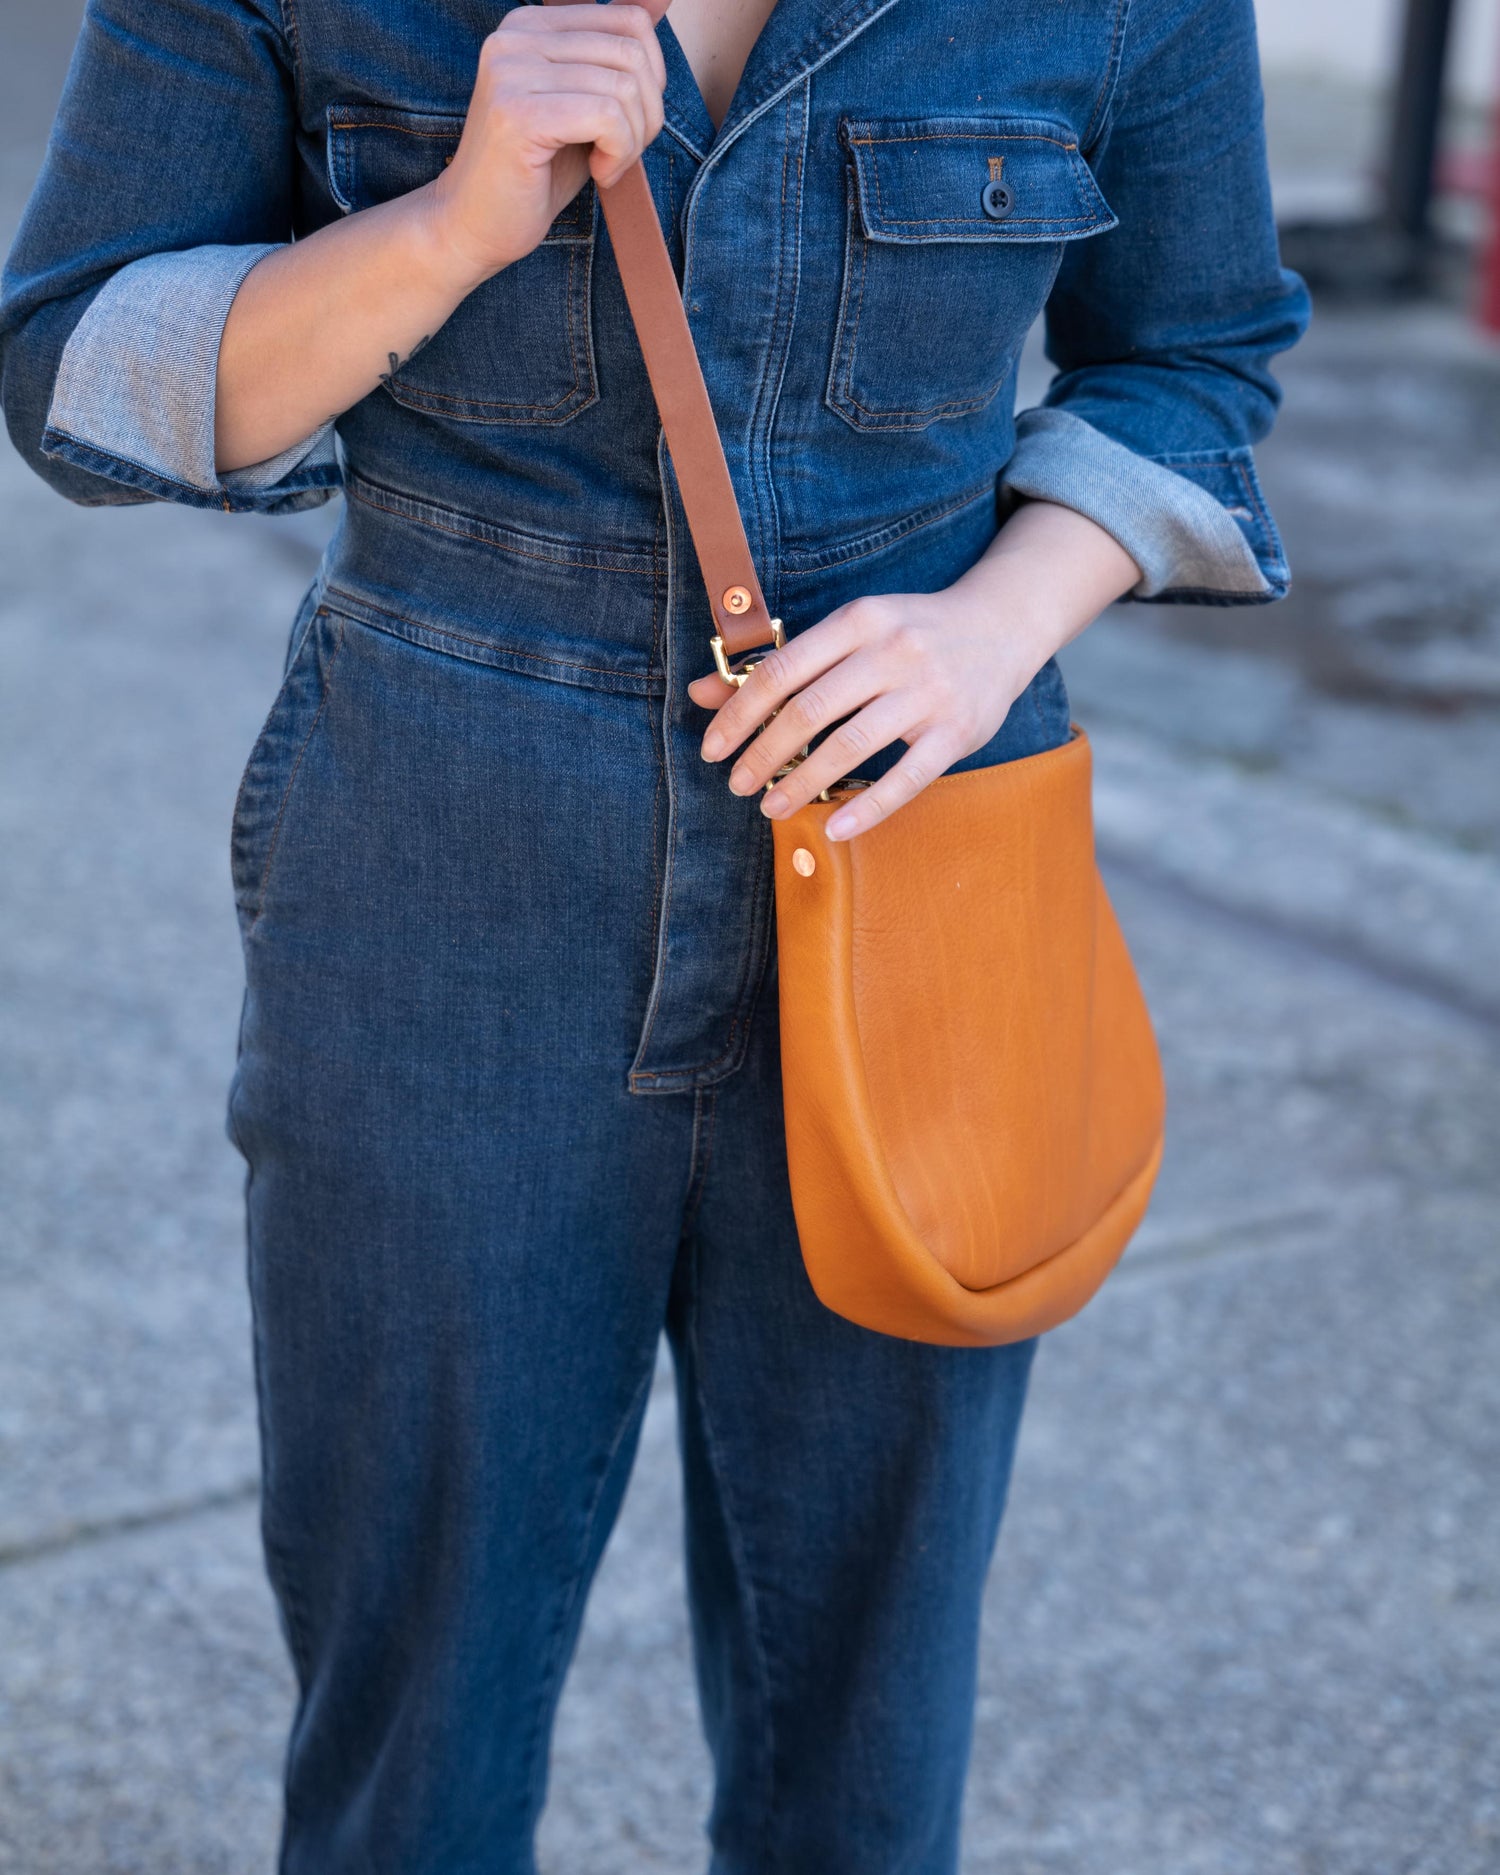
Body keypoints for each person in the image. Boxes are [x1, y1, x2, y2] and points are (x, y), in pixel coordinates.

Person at [0, 1, 1310, 1869]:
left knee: (865, 1716)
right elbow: (78, 370)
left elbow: (1198, 353)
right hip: (444, 859)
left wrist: (990, 626)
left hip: (913, 848)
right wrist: (455, 218)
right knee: (413, 1715)